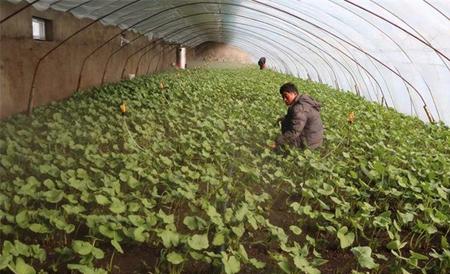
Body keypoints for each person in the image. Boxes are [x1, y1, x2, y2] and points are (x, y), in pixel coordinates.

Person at [272, 82, 324, 150]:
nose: (284, 99)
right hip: (315, 139)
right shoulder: (303, 101)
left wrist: (277, 142)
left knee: (282, 146)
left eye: (286, 96)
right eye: (283, 97)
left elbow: (294, 132)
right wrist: (282, 119)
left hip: (309, 144)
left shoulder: (299, 108)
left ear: (295, 93)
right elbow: (296, 119)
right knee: (285, 122)